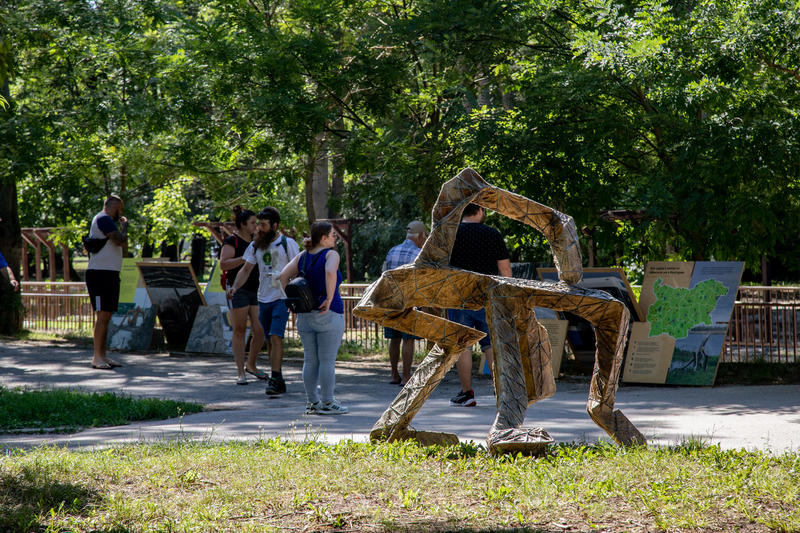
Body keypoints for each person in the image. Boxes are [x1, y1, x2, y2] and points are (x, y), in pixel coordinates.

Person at [228, 207, 299, 395]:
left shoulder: (287, 243)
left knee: (276, 337)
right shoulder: (255, 245)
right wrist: (235, 287)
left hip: (281, 298)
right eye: (258, 224)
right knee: (269, 339)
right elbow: (245, 270)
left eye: (263, 225)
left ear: (274, 226)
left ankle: (275, 379)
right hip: (263, 298)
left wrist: (286, 280)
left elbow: (299, 267)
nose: (259, 227)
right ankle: (279, 378)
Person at [279, 221, 348, 415]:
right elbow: (330, 271)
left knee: (310, 360)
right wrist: (328, 297)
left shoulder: (303, 257)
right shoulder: (331, 254)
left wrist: (292, 299)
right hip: (329, 313)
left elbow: (283, 276)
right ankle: (328, 402)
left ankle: (312, 402)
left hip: (305, 314)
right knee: (327, 361)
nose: (336, 237)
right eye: (333, 234)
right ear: (324, 238)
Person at [447, 203, 511, 407]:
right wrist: (507, 297)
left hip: (457, 298)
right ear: (480, 211)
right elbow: (505, 270)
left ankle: (467, 393)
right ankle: (501, 393)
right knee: (491, 345)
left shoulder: (449, 234)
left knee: (462, 346)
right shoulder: (492, 234)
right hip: (488, 298)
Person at [220, 206, 266, 385]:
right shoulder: (232, 241)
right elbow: (224, 264)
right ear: (243, 224)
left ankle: (251, 364)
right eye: (253, 223)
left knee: (260, 330)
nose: (256, 225)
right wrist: (245, 258)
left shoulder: (259, 241)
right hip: (238, 290)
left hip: (258, 290)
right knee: (239, 329)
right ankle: (240, 372)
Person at [85, 195, 128, 370]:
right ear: (114, 207)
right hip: (99, 274)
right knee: (102, 315)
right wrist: (125, 227)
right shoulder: (103, 218)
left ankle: (103, 355)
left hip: (109, 273)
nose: (121, 213)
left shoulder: (108, 220)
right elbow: (120, 240)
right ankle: (96, 357)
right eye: (120, 209)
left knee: (107, 315)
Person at [382, 220, 427, 385]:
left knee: (394, 339)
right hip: (409, 302)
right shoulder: (418, 254)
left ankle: (394, 375)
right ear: (421, 236)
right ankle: (406, 376)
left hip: (391, 301)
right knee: (408, 340)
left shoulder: (392, 251)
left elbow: (384, 275)